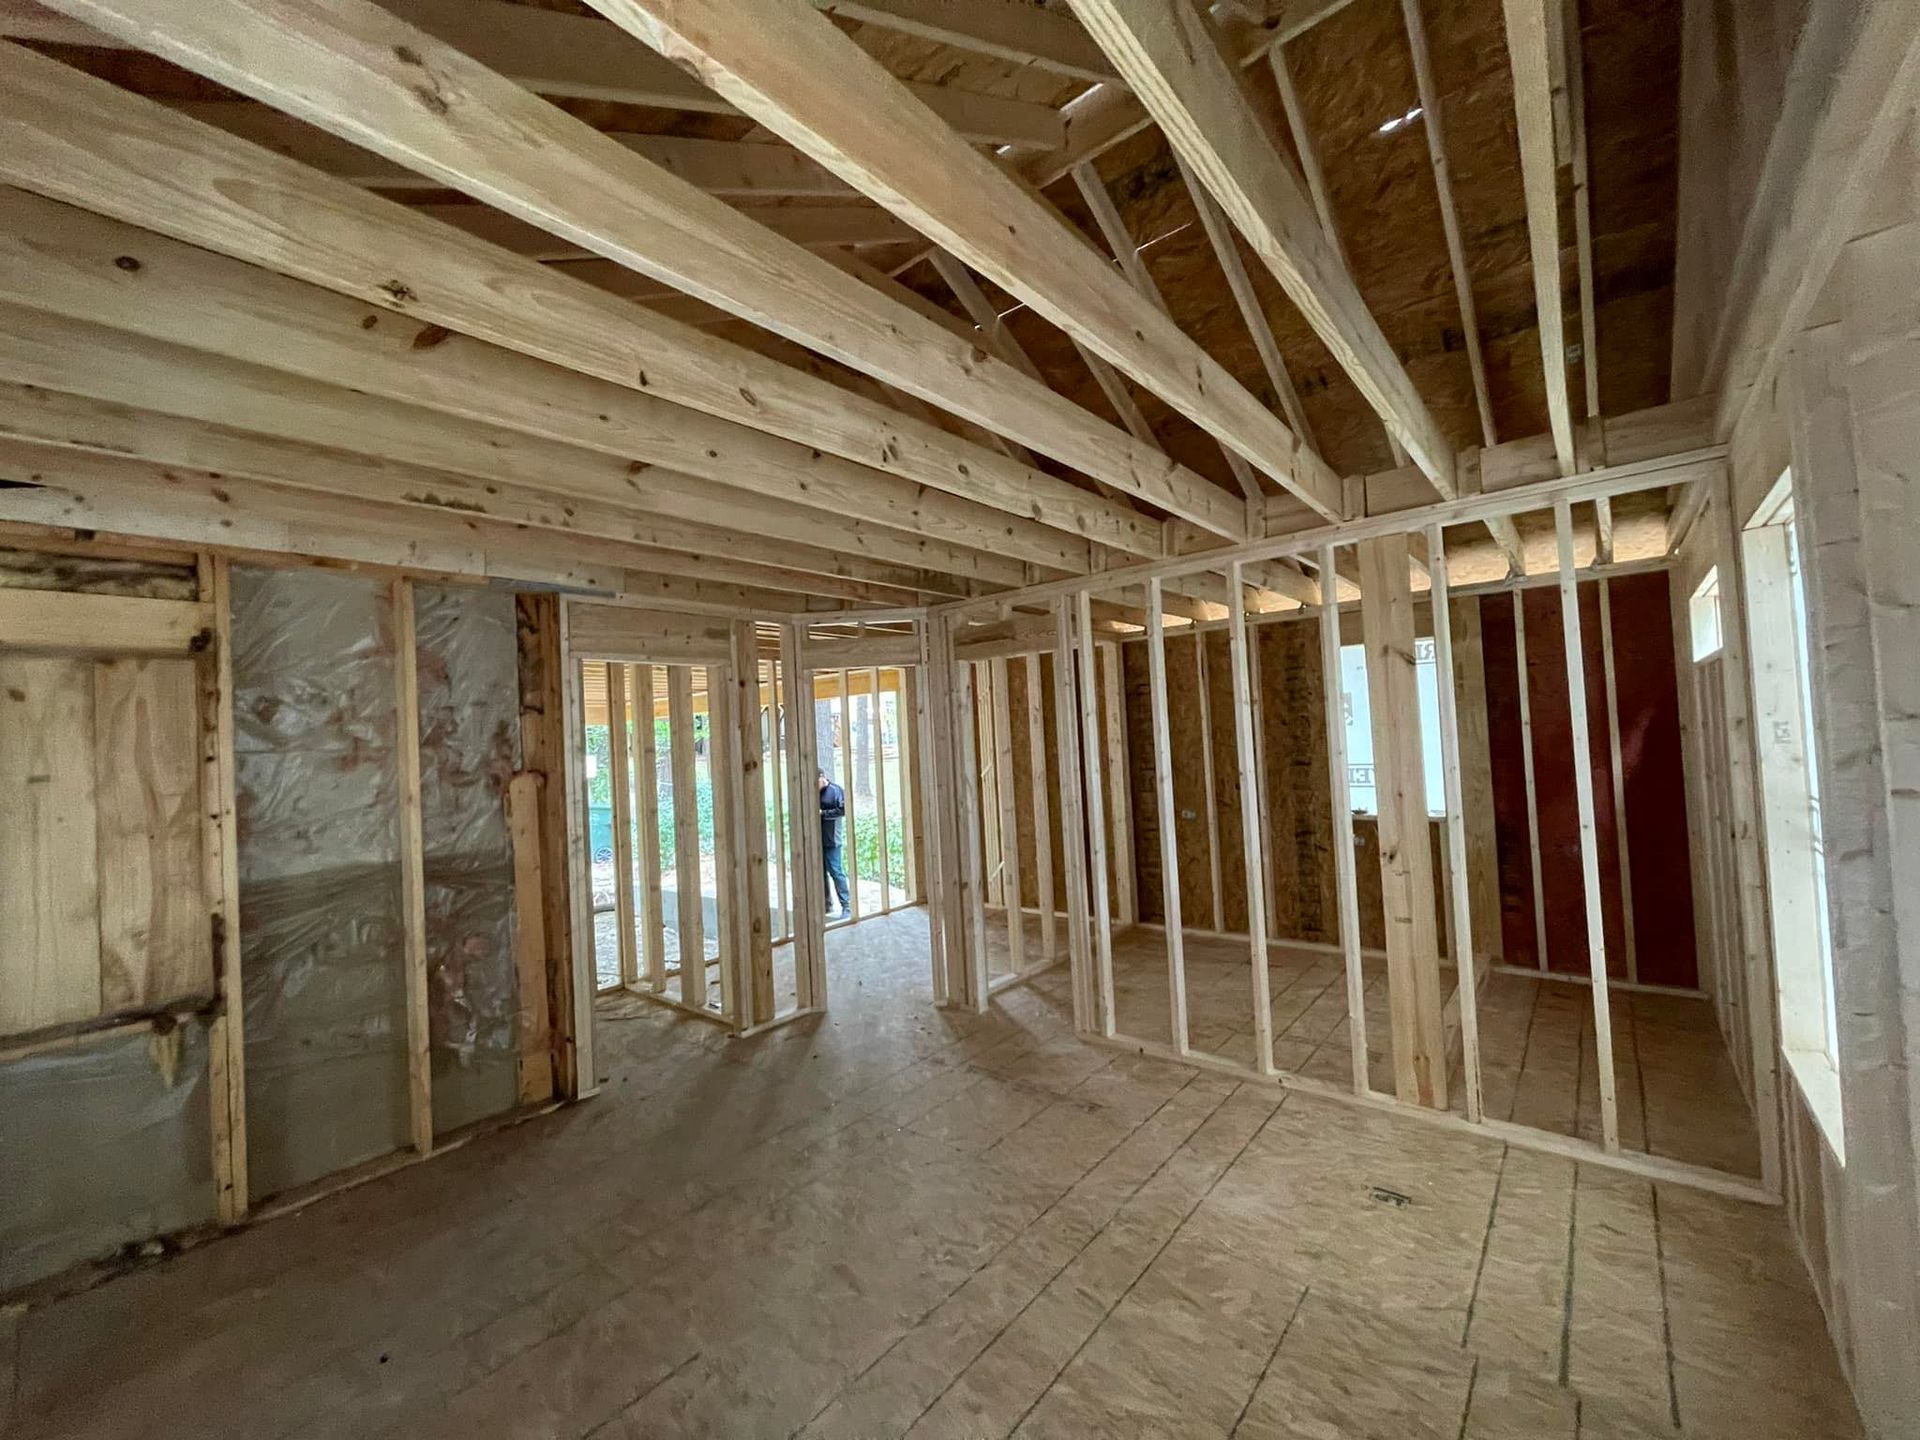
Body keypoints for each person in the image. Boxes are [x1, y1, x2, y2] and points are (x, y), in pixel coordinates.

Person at [818, 768, 851, 920]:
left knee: (836, 871)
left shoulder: (835, 790)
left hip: (832, 839)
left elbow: (843, 810)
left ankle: (847, 907)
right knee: (819, 872)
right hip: (816, 839)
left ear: (822, 777)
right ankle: (826, 903)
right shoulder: (812, 792)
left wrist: (823, 814)